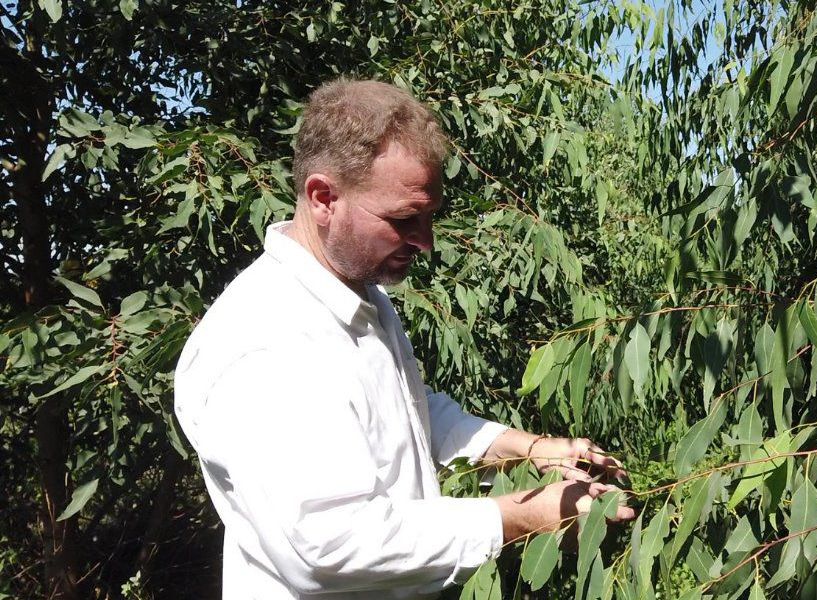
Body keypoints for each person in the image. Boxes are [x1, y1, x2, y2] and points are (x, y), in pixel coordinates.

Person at [174, 78, 634, 600]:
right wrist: (519, 517)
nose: (425, 241)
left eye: (429, 216)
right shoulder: (265, 345)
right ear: (324, 198)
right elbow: (329, 547)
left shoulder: (358, 295)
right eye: (403, 219)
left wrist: (526, 449)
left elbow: (404, 414)